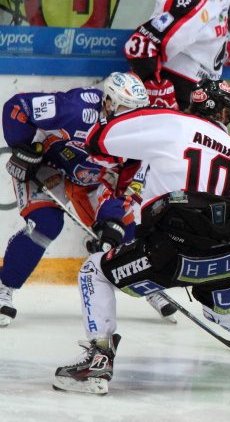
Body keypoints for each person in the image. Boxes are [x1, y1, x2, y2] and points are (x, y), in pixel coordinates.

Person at [53, 73, 230, 395]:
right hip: (225, 258)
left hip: (166, 254)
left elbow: (101, 139)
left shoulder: (172, 122)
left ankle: (99, 361)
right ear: (225, 114)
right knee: (228, 310)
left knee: (94, 271)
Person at [0, 80, 165, 327]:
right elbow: (17, 107)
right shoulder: (75, 109)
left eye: (135, 112)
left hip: (91, 178)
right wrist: (22, 148)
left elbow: (123, 190)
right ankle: (5, 286)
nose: (129, 119)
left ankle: (143, 281)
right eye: (123, 110)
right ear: (107, 102)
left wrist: (110, 223)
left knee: (126, 228)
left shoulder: (137, 140)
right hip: (45, 164)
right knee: (46, 224)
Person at [124, 0, 230, 111]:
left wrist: (217, 46)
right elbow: (139, 45)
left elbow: (210, 20)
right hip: (180, 87)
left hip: (203, 86)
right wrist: (156, 88)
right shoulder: (189, 6)